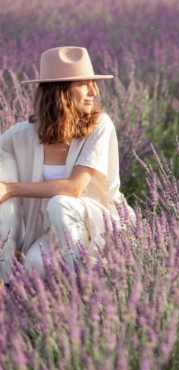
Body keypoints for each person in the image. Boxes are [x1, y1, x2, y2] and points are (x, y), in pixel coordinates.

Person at [0, 46, 135, 281]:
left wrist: (9, 189)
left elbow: (74, 188)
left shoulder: (100, 125)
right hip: (55, 230)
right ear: (59, 91)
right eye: (84, 84)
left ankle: (85, 283)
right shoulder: (23, 135)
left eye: (93, 83)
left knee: (61, 202)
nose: (93, 90)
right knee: (33, 266)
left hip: (100, 225)